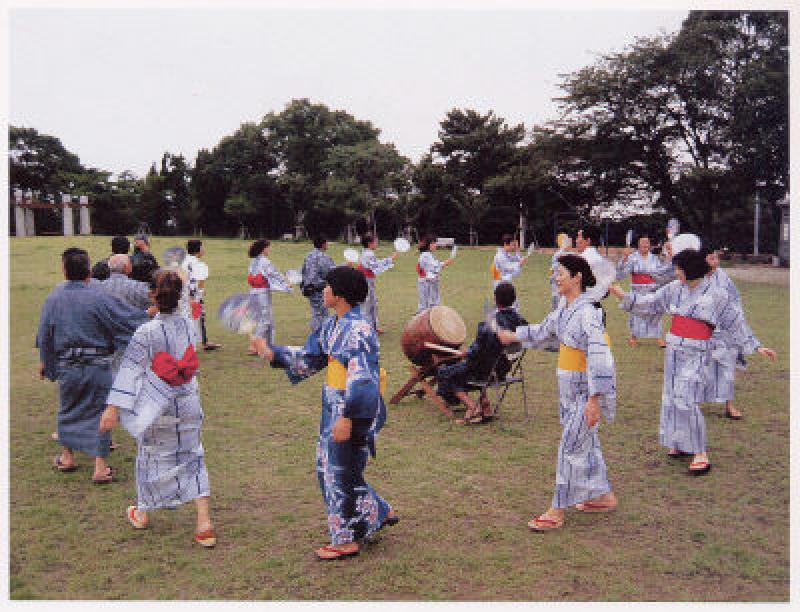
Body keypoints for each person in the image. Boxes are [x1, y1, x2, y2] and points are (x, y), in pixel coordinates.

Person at [254, 266, 397, 560]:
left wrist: (348, 417)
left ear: (340, 294)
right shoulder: (334, 326)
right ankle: (379, 511)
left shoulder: (357, 330)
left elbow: (363, 379)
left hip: (352, 409)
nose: (323, 291)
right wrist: (273, 353)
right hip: (333, 406)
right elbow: (311, 357)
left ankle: (344, 540)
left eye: (327, 286)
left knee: (335, 471)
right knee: (336, 467)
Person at [608, 249, 776, 475]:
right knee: (671, 398)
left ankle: (700, 452)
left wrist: (756, 346)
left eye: (679, 268)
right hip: (673, 351)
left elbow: (736, 322)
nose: (676, 272)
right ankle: (678, 442)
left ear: (691, 269)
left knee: (686, 397)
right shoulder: (674, 289)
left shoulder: (718, 295)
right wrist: (622, 295)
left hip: (697, 353)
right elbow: (650, 303)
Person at [497, 254, 617, 531]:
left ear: (577, 277)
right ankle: (604, 495)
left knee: (570, 447)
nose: (556, 276)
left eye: (560, 272)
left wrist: (594, 400)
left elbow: (600, 357)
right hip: (569, 389)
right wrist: (514, 335)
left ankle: (556, 510)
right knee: (586, 444)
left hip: (584, 391)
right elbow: (545, 330)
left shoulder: (588, 313)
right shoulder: (565, 307)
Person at [99, 269, 216, 548]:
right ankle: (204, 522)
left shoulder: (146, 331)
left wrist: (112, 409)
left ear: (152, 295)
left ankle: (142, 510)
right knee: (193, 455)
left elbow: (129, 371)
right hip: (188, 399)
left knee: (151, 456)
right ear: (179, 297)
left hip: (157, 403)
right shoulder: (188, 325)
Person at [36, 247, 148, 483]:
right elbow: (126, 319)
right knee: (99, 411)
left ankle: (67, 457)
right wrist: (154, 312)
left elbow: (45, 335)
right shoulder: (99, 296)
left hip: (68, 365)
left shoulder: (54, 297)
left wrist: (47, 363)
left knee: (68, 408)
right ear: (88, 270)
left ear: (64, 270)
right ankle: (100, 467)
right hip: (98, 365)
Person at [436, 282, 527, 424]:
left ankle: (473, 408)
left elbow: (478, 351)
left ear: (496, 300)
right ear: (514, 300)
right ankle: (486, 407)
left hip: (486, 371)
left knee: (446, 373)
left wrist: (467, 353)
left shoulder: (491, 324)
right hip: (503, 369)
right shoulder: (522, 322)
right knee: (473, 367)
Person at [701, 243, 759, 420]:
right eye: (712, 257)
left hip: (725, 328)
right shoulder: (696, 277)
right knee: (701, 367)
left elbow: (735, 303)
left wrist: (738, 326)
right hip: (702, 328)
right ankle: (695, 401)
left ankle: (729, 405)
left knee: (727, 367)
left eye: (717, 257)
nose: (716, 260)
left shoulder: (724, 278)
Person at [616, 233, 671, 347]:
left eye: (647, 242)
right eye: (643, 242)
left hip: (652, 290)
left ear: (650, 245)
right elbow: (621, 275)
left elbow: (665, 271)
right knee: (636, 314)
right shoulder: (632, 258)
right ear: (638, 245)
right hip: (637, 290)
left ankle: (658, 337)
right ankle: (634, 337)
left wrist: (669, 255)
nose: (645, 244)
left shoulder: (655, 259)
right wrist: (624, 259)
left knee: (655, 313)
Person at [246, 239, 291, 353]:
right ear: (263, 249)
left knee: (269, 321)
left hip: (253, 292)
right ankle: (254, 345)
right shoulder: (265, 262)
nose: (269, 249)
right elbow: (275, 274)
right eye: (268, 247)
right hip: (262, 293)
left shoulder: (253, 261)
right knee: (265, 320)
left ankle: (269, 345)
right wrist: (286, 283)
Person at [182, 239, 221, 351]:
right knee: (195, 318)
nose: (204, 250)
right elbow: (200, 283)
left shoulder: (183, 261)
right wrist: (198, 295)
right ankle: (193, 345)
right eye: (202, 247)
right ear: (198, 249)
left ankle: (203, 341)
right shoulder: (200, 265)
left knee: (188, 318)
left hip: (183, 294)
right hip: (193, 295)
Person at [358, 234, 400, 333]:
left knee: (373, 303)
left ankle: (373, 326)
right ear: (369, 244)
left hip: (368, 279)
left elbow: (375, 267)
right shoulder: (368, 254)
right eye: (375, 242)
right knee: (367, 304)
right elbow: (376, 265)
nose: (377, 244)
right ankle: (366, 328)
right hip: (366, 280)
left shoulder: (366, 253)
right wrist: (390, 259)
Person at [301, 236, 335, 333]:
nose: (328, 244)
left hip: (309, 289)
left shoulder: (308, 256)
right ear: (323, 244)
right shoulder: (325, 258)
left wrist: (304, 285)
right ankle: (320, 334)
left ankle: (317, 333)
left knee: (316, 311)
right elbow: (330, 272)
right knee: (322, 313)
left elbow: (303, 271)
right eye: (327, 242)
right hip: (320, 288)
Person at [416, 234, 455, 313]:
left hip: (430, 282)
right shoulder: (425, 255)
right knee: (425, 306)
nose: (435, 245)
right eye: (433, 243)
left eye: (435, 243)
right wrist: (449, 261)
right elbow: (436, 266)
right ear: (429, 245)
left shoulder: (429, 255)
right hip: (426, 283)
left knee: (432, 305)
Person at [549, 233, 572, 310]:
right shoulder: (561, 254)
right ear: (563, 242)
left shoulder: (561, 253)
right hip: (558, 281)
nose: (570, 241)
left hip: (559, 281)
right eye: (567, 240)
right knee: (558, 300)